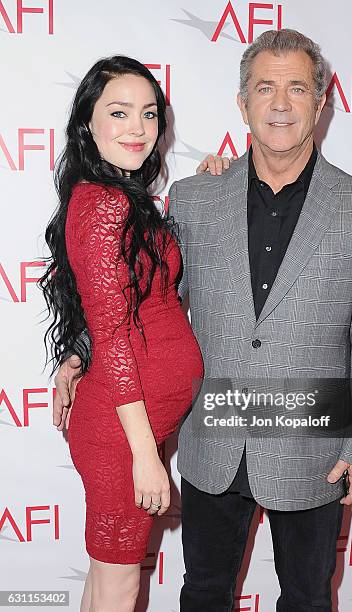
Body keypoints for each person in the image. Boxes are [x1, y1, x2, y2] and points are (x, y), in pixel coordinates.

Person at [55, 30, 352, 612]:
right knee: (205, 594)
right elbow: (144, 297)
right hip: (214, 437)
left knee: (308, 596)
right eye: (265, 88)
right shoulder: (194, 198)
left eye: (298, 88)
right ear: (243, 105)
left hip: (311, 445)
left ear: (321, 104)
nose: (281, 103)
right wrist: (79, 353)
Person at [40, 55, 227, 612]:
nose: (137, 129)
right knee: (119, 586)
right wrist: (147, 455)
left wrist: (74, 357)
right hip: (122, 435)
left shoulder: (121, 199)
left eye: (149, 115)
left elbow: (127, 303)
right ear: (87, 125)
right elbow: (116, 335)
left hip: (124, 426)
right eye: (118, 113)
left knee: (105, 580)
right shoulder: (103, 204)